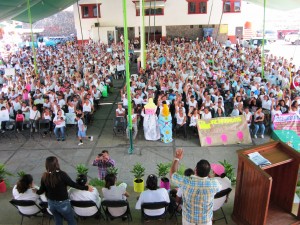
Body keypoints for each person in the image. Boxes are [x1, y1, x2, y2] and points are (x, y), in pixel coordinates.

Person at [36, 156, 93, 225]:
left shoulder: (44, 176)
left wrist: (36, 191)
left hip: (51, 204)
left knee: (58, 220)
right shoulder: (62, 174)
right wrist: (86, 188)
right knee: (71, 220)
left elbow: (41, 190)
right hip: (62, 204)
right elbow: (73, 184)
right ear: (56, 164)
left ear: (46, 165)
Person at [170, 149, 221, 225]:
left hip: (188, 220)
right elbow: (217, 186)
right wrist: (207, 176)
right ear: (208, 173)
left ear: (195, 170)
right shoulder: (214, 184)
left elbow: (172, 174)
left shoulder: (186, 181)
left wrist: (177, 158)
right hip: (205, 221)